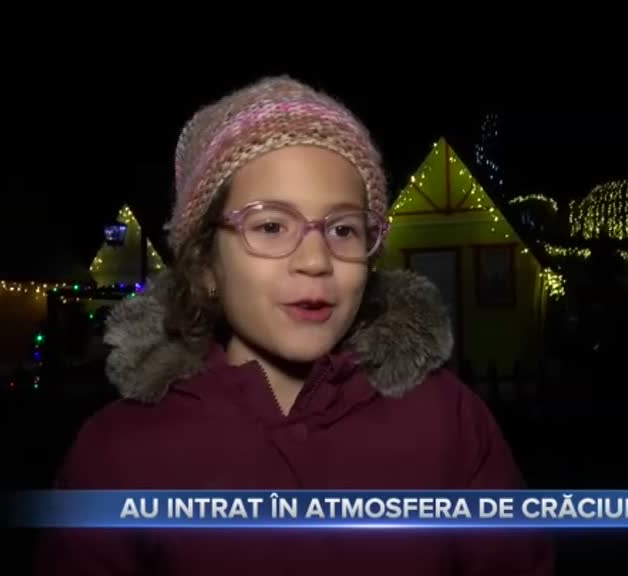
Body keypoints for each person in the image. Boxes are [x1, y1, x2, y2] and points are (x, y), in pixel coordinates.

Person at [34, 76, 554, 575]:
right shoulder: (119, 452)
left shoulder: (449, 421)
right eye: (271, 225)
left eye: (343, 229)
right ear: (205, 265)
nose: (315, 259)